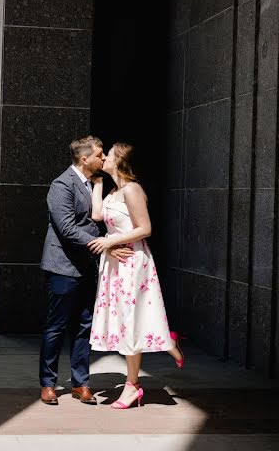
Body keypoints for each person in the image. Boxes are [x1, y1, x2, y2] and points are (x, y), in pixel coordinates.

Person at [87, 142, 185, 409]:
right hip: (116, 265)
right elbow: (97, 215)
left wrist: (109, 243)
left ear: (119, 161)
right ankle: (166, 339)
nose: (103, 157)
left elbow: (145, 228)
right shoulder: (114, 192)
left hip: (132, 263)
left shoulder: (132, 189)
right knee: (124, 321)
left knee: (129, 321)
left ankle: (132, 387)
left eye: (108, 155)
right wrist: (97, 183)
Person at [38, 136, 134, 406]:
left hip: (88, 268)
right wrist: (105, 247)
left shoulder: (94, 184)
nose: (103, 159)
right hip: (63, 267)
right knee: (56, 327)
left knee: (85, 327)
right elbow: (67, 229)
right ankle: (48, 384)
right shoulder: (61, 185)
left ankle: (81, 384)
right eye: (100, 155)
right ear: (84, 159)